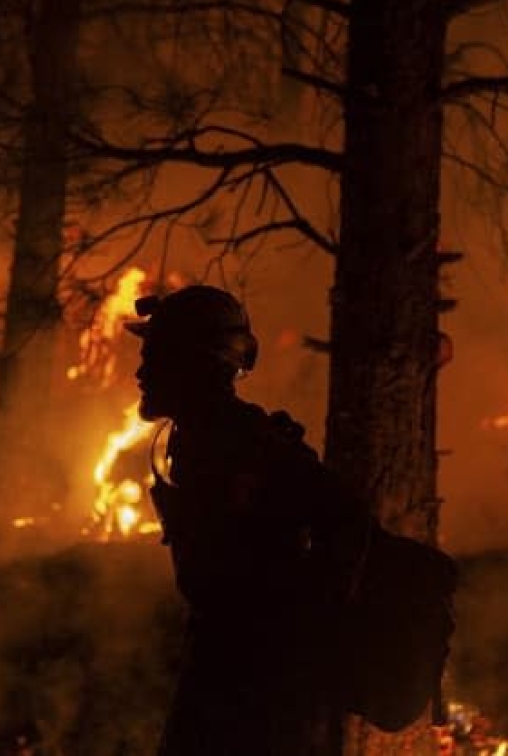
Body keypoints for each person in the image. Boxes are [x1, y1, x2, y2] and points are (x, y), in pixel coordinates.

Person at [125, 285, 368, 756]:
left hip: (264, 692)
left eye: (154, 356)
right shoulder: (195, 441)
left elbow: (346, 518)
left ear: (192, 364)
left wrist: (297, 633)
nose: (141, 371)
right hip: (220, 667)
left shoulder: (252, 443)